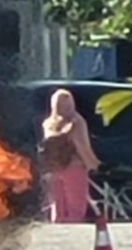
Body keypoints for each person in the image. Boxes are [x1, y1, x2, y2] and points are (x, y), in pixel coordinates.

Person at [39, 89, 103, 223]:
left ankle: (58, 237)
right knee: (76, 208)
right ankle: (72, 238)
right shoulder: (77, 122)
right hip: (74, 167)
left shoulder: (48, 124)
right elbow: (82, 146)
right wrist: (94, 165)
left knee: (58, 207)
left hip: (53, 169)